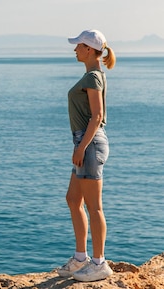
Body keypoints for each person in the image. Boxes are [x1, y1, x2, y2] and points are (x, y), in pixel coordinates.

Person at [56, 29, 117, 282]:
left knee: (94, 207)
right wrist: (79, 145)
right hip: (84, 142)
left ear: (90, 50)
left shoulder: (93, 77)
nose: (75, 50)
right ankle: (80, 258)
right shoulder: (91, 75)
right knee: (73, 199)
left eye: (79, 46)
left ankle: (99, 263)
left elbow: (98, 116)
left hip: (89, 143)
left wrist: (81, 147)